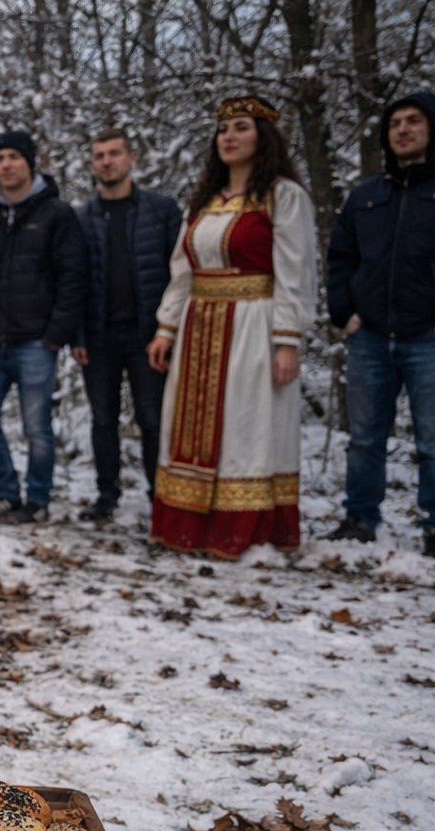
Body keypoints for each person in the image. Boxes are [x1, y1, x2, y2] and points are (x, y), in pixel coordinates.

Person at [146, 96, 315, 558]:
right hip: (199, 326)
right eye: (223, 129)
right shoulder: (203, 202)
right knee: (188, 431)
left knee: (245, 428)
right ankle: (189, 527)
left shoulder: (282, 196)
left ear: (263, 138)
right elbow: (183, 270)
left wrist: (287, 339)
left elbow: (294, 272)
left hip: (252, 326)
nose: (229, 137)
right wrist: (166, 328)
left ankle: (242, 532)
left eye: (241, 127)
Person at [326, 92, 435, 557]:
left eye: (413, 121)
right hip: (369, 334)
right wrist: (342, 312)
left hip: (428, 336)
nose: (403, 130)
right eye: (395, 124)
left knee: (433, 438)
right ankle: (360, 517)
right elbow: (340, 258)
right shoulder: (367, 195)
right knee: (365, 436)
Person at [0, 130, 86, 523]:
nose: (7, 165)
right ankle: (5, 491)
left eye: (14, 157)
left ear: (30, 163)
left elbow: (73, 278)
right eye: (0, 159)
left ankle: (38, 498)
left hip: (35, 342)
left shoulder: (56, 214)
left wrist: (55, 334)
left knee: (36, 427)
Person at [73, 129, 183, 521]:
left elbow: (180, 273)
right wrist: (78, 335)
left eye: (114, 153)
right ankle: (107, 495)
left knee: (152, 417)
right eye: (99, 155)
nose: (107, 161)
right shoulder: (82, 218)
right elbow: (75, 281)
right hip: (99, 336)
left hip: (148, 335)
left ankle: (160, 495)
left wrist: (168, 330)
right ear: (91, 165)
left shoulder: (161, 211)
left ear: (131, 158)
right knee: (103, 419)